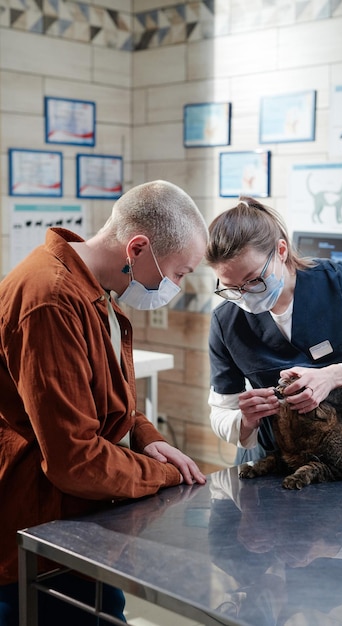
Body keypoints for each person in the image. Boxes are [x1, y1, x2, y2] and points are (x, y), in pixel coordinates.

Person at [0, 180, 208, 626]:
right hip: (42, 531)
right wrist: (165, 475)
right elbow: (74, 457)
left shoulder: (96, 291)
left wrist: (147, 438)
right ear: (137, 248)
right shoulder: (49, 299)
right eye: (179, 273)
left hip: (85, 519)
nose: (175, 285)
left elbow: (111, 403)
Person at [205, 196, 342, 463]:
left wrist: (334, 376)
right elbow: (221, 413)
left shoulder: (336, 282)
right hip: (267, 456)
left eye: (253, 280)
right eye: (231, 288)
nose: (245, 295)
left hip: (336, 453)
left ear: (281, 251)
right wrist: (245, 421)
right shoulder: (226, 321)